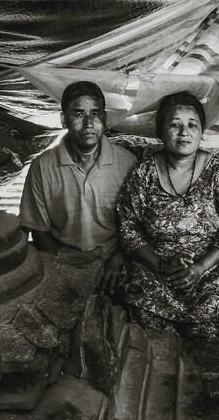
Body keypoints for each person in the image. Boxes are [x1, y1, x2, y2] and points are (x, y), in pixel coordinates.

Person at [116, 91, 219, 342]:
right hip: (155, 270)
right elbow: (128, 227)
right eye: (175, 124)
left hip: (207, 271)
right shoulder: (143, 174)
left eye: (192, 125)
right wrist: (162, 265)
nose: (184, 132)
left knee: (207, 326)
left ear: (201, 133)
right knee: (151, 338)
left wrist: (199, 268)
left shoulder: (218, 171)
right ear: (161, 132)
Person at [20, 80, 137, 295]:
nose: (89, 123)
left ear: (105, 118)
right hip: (64, 263)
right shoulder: (42, 167)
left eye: (95, 113)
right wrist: (65, 271)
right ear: (64, 120)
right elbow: (39, 231)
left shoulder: (127, 163)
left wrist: (117, 260)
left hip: (115, 264)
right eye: (78, 114)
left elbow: (137, 227)